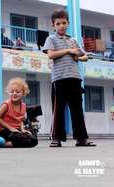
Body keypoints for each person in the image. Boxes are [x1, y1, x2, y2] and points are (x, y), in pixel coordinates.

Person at [42, 9, 96, 147]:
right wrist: (68, 51)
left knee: (77, 108)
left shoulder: (73, 40)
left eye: (64, 23)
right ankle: (56, 138)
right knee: (58, 108)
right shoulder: (51, 39)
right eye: (58, 23)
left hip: (75, 78)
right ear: (53, 25)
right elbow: (50, 55)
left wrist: (77, 56)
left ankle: (81, 138)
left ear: (68, 23)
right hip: (59, 78)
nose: (61, 26)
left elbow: (84, 57)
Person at [0, 78, 38, 148]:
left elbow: (20, 120)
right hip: (4, 131)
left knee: (34, 140)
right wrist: (10, 128)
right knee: (25, 141)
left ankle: (12, 143)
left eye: (17, 92)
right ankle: (3, 144)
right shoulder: (6, 105)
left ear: (23, 93)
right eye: (12, 92)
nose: (14, 93)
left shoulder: (24, 106)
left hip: (16, 131)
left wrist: (23, 130)